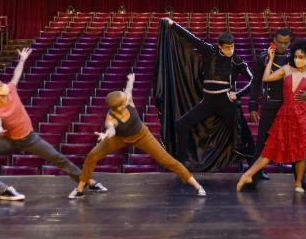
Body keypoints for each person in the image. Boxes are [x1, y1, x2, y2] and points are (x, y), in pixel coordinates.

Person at [0, 47, 106, 199]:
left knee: (58, 158)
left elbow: (16, 74)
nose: (4, 85)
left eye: (2, 83)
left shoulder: (11, 90)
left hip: (30, 139)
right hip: (9, 140)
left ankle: (90, 182)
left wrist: (22, 60)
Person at [71, 73, 206, 198]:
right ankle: (80, 189)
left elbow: (128, 89)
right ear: (119, 107)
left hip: (142, 135)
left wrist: (131, 80)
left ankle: (197, 186)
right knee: (93, 155)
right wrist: (106, 134)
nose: (127, 98)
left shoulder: (127, 100)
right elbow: (111, 129)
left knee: (167, 160)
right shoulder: (111, 117)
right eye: (124, 100)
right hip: (120, 139)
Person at [237, 40, 306, 193]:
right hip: (285, 114)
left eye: (301, 57)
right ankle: (247, 175)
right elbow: (266, 78)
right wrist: (269, 60)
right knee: (270, 148)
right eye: (296, 56)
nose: (297, 59)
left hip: (303, 116)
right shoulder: (286, 69)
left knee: (301, 151)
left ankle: (298, 184)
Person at [163, 18, 254, 166]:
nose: (230, 49)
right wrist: (173, 24)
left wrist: (238, 94)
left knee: (244, 133)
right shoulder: (209, 51)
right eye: (227, 47)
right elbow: (191, 38)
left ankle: (256, 169)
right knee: (181, 124)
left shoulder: (237, 61)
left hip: (226, 103)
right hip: (208, 102)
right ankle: (181, 162)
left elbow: (253, 80)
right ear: (220, 46)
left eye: (232, 46)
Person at [247, 28, 306, 189]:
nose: (283, 45)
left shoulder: (297, 58)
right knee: (262, 143)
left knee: (295, 144)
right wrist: (253, 104)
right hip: (270, 106)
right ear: (274, 40)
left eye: (286, 42)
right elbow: (256, 82)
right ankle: (253, 178)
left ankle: (301, 181)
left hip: (291, 107)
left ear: (290, 42)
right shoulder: (264, 58)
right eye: (280, 42)